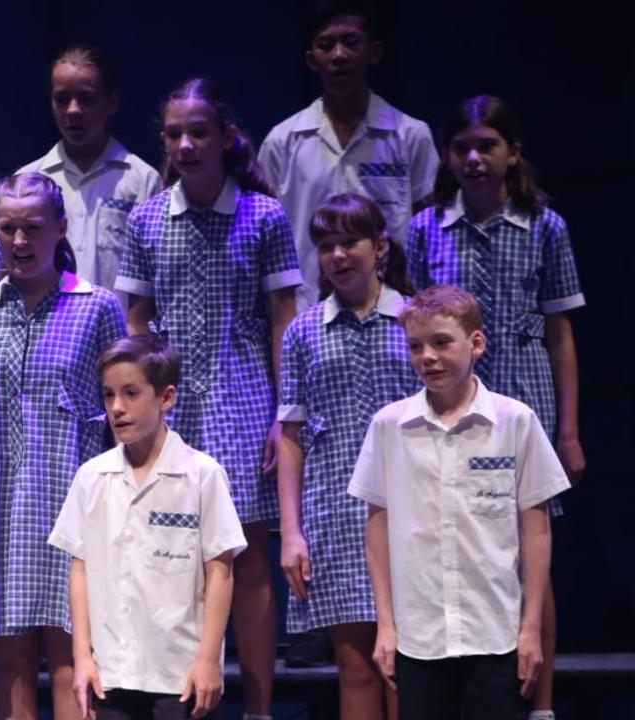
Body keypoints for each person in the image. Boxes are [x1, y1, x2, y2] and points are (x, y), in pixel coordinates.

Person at [117, 77, 301, 720]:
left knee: (244, 559)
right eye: (174, 134)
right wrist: (140, 403)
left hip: (242, 393)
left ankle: (257, 708)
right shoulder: (146, 217)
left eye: (199, 132)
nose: (186, 144)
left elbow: (284, 317)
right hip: (171, 403)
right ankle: (178, 698)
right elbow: (134, 319)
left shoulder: (263, 214)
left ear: (225, 136)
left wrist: (284, 415)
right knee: (171, 558)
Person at [405, 95, 585, 719]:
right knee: (458, 543)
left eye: (488, 146)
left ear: (512, 154)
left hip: (523, 396)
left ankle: (540, 701)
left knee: (530, 547)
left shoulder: (544, 225)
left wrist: (569, 428)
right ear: (448, 157)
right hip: (450, 405)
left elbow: (561, 332)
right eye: (462, 148)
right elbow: (419, 322)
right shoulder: (426, 226)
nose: (475, 159)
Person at [0, 172, 125, 719]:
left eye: (33, 228)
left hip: (74, 505)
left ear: (60, 227)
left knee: (73, 656)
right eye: (8, 228)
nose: (20, 242)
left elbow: (121, 414)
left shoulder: (98, 309)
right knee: (11, 663)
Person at [349, 285, 568, 719]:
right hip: (420, 638)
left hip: (495, 633)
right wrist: (386, 626)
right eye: (416, 346)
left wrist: (531, 629)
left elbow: (536, 529)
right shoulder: (390, 426)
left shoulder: (515, 421)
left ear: (476, 343)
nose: (427, 356)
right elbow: (378, 528)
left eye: (441, 342)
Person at [50, 334, 245, 720]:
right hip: (112, 674)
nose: (117, 408)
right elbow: (80, 569)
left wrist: (208, 659)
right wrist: (82, 657)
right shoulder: (92, 477)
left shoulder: (201, 476)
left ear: (166, 397)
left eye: (131, 393)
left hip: (179, 673)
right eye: (108, 395)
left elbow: (220, 573)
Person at [276, 194, 418, 718]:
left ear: (379, 246)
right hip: (334, 513)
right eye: (326, 246)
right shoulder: (303, 331)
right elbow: (289, 438)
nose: (337, 256)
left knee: (407, 663)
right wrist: (292, 532)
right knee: (356, 666)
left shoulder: (412, 319)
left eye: (349, 243)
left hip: (410, 511)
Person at [259, 0, 439, 310]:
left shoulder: (411, 135)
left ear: (375, 52)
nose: (339, 55)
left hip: (396, 312)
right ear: (311, 59)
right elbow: (266, 242)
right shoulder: (283, 141)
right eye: (326, 46)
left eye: (351, 43)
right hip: (310, 311)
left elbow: (432, 234)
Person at [17, 46, 162, 293]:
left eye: (86, 98)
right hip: (50, 329)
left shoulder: (142, 180)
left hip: (118, 330)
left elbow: (156, 270)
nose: (73, 110)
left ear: (111, 103)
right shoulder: (28, 181)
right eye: (62, 99)